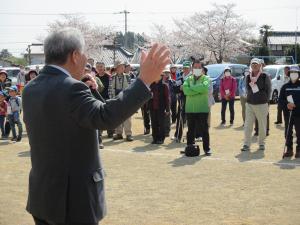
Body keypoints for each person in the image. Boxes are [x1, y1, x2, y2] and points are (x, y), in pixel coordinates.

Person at [22, 27, 170, 225]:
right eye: (84, 53)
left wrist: (88, 90)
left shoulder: (31, 88)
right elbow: (105, 117)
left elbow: (76, 117)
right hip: (73, 200)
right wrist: (144, 81)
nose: (86, 60)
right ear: (75, 55)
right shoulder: (71, 88)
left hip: (43, 195)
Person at [241, 58, 271, 151]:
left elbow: (269, 90)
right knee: (247, 125)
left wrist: (266, 101)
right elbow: (247, 88)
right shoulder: (248, 76)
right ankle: (246, 144)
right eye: (253, 64)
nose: (254, 66)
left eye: (256, 64)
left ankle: (261, 143)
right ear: (250, 65)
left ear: (260, 65)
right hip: (250, 103)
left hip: (262, 104)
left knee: (262, 125)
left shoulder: (264, 76)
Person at [183, 60, 211, 156]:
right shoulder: (188, 79)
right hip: (190, 109)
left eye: (199, 67)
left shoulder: (206, 78)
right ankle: (189, 147)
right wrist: (197, 89)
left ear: (202, 68)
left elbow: (204, 88)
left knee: (204, 130)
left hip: (203, 108)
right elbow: (186, 91)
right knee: (190, 130)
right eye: (195, 67)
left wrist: (192, 87)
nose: (197, 69)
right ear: (192, 68)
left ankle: (207, 149)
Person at [109, 60, 134, 142]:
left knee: (127, 117)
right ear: (116, 68)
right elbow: (110, 89)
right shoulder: (112, 77)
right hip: (116, 99)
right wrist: (112, 99)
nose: (123, 67)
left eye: (123, 66)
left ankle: (128, 134)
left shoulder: (127, 76)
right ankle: (119, 133)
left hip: (126, 99)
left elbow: (130, 88)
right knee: (117, 116)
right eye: (120, 66)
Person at [278, 65, 300, 158]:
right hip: (288, 114)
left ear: (298, 74)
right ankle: (289, 149)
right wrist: (287, 104)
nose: (293, 75)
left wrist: (296, 105)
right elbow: (280, 100)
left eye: (295, 73)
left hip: (299, 113)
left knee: (299, 132)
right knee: (287, 132)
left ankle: (299, 150)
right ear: (289, 74)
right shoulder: (285, 86)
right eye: (292, 73)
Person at [172, 61, 192, 142]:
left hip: (191, 100)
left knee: (191, 118)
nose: (185, 69)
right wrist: (180, 88)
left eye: (187, 68)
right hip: (182, 100)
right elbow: (175, 89)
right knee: (180, 117)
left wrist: (185, 88)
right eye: (184, 68)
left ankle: (191, 136)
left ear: (190, 68)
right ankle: (178, 135)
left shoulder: (193, 78)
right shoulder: (180, 78)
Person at [149, 73, 170, 144]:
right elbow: (148, 97)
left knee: (161, 124)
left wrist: (167, 109)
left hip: (161, 108)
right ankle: (155, 138)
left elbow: (167, 98)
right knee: (154, 123)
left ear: (161, 76)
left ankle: (161, 138)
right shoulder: (151, 85)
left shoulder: (164, 86)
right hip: (152, 107)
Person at [95, 62, 114, 138]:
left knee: (108, 116)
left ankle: (110, 131)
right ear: (96, 68)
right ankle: (99, 133)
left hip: (107, 98)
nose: (100, 68)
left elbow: (112, 88)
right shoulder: (94, 77)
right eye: (98, 67)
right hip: (97, 99)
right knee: (99, 116)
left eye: (101, 66)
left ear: (104, 67)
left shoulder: (109, 77)